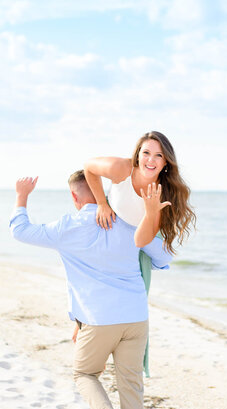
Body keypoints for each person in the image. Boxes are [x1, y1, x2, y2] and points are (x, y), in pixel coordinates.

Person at [9, 171, 172, 409]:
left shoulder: (67, 227)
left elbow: (20, 231)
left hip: (99, 320)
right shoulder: (127, 222)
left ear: (74, 196)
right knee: (132, 389)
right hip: (136, 318)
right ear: (104, 192)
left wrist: (22, 196)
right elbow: (163, 258)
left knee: (84, 374)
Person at [84, 131, 196, 375]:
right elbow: (88, 168)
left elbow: (141, 239)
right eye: (146, 153)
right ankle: (95, 348)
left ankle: (131, 363)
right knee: (100, 291)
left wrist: (151, 211)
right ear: (137, 154)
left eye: (159, 155)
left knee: (133, 306)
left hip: (142, 242)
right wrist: (101, 203)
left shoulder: (165, 193)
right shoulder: (121, 168)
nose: (151, 160)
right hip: (116, 235)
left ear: (166, 163)